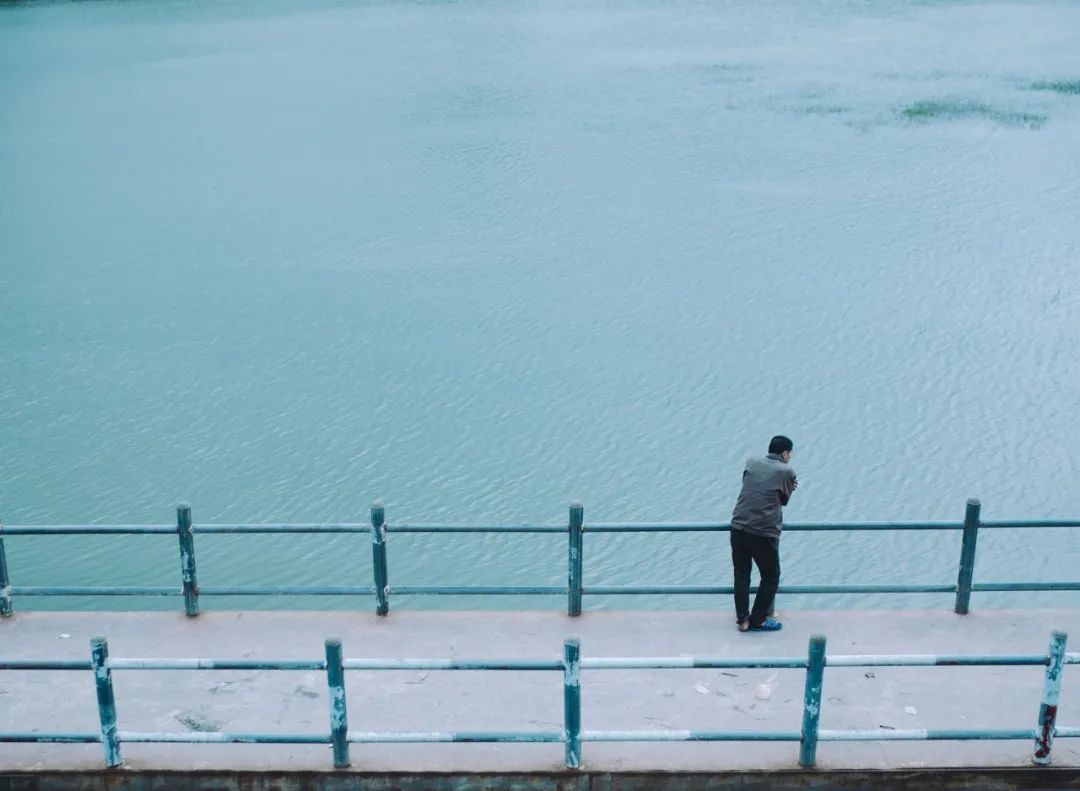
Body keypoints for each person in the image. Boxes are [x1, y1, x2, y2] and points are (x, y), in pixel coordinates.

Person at [730, 435, 798, 632]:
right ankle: (758, 619)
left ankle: (743, 620)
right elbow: (784, 500)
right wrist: (792, 487)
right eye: (790, 454)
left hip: (738, 526)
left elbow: (750, 485)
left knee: (741, 574)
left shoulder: (751, 462)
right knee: (771, 576)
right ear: (784, 454)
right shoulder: (786, 471)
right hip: (763, 532)